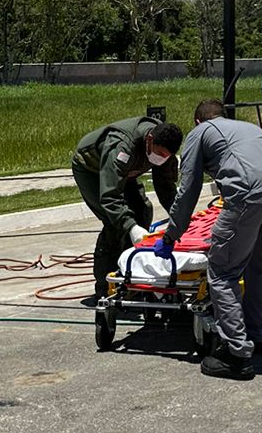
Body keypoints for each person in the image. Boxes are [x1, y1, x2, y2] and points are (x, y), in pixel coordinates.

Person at [157, 100, 262, 380]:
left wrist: (172, 234)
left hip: (249, 193)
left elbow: (188, 189)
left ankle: (236, 354)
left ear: (198, 121)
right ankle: (254, 336)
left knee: (222, 273)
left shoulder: (200, 132)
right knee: (258, 264)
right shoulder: (249, 128)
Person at [71, 115, 183, 299]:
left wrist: (180, 218)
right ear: (149, 140)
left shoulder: (163, 149)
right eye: (160, 153)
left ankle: (133, 276)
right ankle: (106, 287)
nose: (161, 159)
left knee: (142, 211)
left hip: (126, 171)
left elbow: (166, 188)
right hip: (91, 169)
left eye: (166, 156)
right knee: (115, 222)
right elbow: (110, 197)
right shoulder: (122, 146)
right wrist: (131, 228)